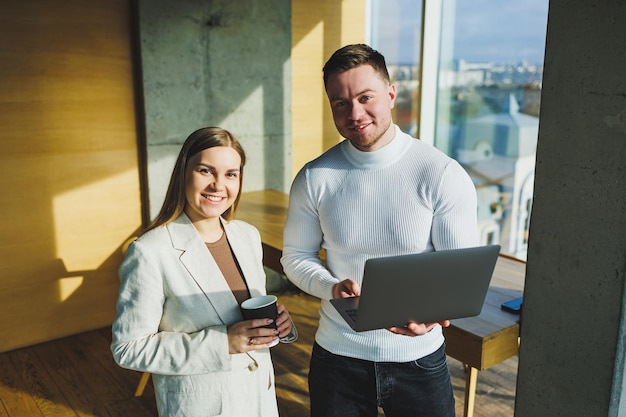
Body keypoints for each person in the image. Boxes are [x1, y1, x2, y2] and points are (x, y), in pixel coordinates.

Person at [281, 44, 478, 417]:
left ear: (390, 94)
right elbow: (295, 256)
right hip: (337, 359)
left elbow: (460, 273)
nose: (354, 113)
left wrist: (432, 316)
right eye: (340, 103)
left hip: (419, 363)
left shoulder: (440, 173)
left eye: (365, 97)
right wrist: (331, 287)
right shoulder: (314, 177)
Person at [111, 127, 297, 417]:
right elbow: (128, 348)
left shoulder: (247, 236)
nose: (218, 185)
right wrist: (222, 343)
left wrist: (278, 326)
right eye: (206, 171)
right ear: (184, 173)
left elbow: (246, 315)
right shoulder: (150, 251)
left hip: (259, 401)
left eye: (230, 174)